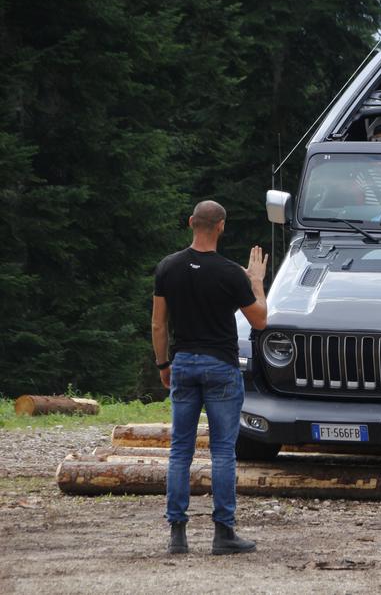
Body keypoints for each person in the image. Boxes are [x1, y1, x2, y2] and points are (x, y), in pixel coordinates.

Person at [152, 200, 268, 555]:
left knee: (180, 451)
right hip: (220, 366)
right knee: (222, 451)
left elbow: (159, 323)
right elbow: (260, 320)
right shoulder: (231, 273)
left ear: (191, 223)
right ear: (221, 227)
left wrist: (163, 364)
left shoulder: (168, 267)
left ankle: (178, 534)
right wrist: (258, 282)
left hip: (183, 363)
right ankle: (223, 533)